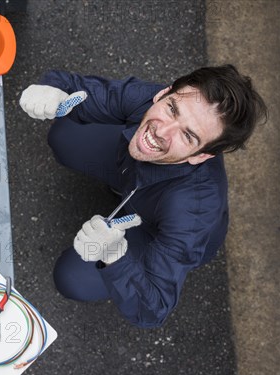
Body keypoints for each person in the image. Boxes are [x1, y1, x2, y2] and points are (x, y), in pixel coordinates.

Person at [19, 65, 267, 328]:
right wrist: (52, 91)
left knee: (72, 278)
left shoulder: (193, 212)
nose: (162, 130)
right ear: (163, 94)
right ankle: (123, 189)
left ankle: (123, 230)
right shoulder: (149, 99)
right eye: (172, 109)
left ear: (201, 155)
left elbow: (153, 309)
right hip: (134, 174)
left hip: (155, 229)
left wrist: (114, 254)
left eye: (188, 135)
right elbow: (78, 88)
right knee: (66, 134)